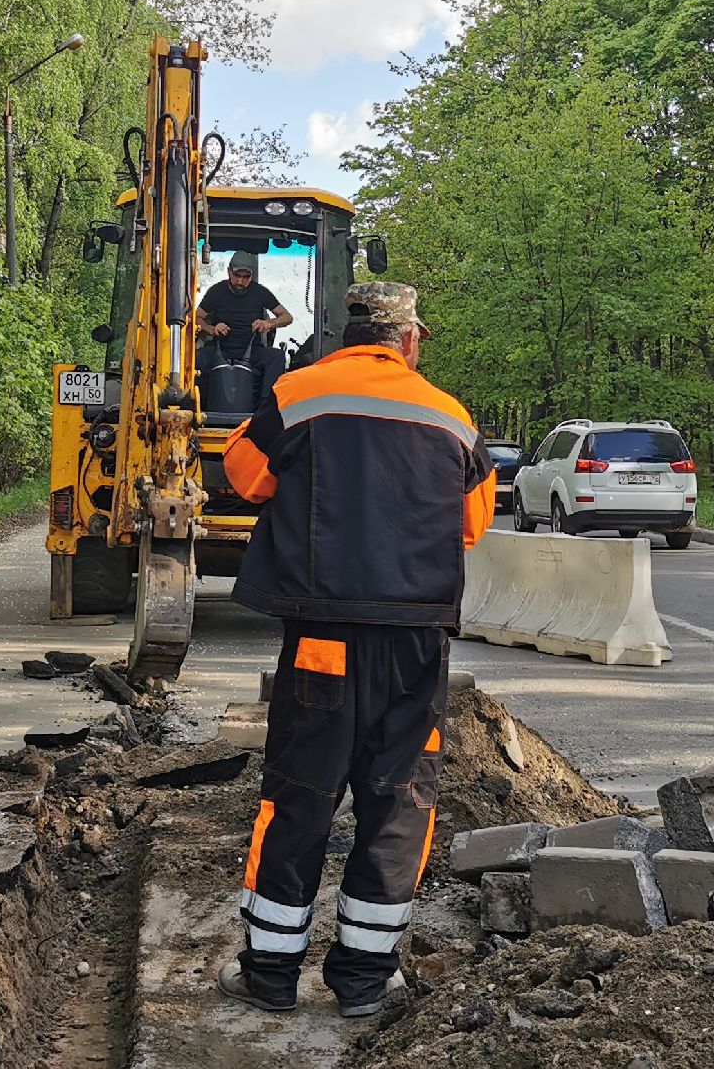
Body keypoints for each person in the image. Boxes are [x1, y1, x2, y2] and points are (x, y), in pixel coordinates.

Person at [215, 283, 494, 1017]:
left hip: (322, 639)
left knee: (300, 796)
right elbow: (472, 524)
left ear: (347, 336)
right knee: (398, 802)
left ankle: (270, 976)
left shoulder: (298, 393)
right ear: (408, 340)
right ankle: (364, 981)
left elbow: (244, 477)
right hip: (414, 644)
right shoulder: (452, 417)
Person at [195, 251, 295, 398]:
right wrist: (211, 328)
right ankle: (201, 405)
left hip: (251, 351)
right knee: (194, 358)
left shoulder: (260, 292)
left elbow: (287, 317)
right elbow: (195, 317)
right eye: (237, 276)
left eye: (246, 277)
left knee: (277, 357)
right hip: (220, 349)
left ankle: (265, 408)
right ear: (229, 272)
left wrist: (268, 324)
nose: (240, 282)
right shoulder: (216, 292)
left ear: (251, 276)